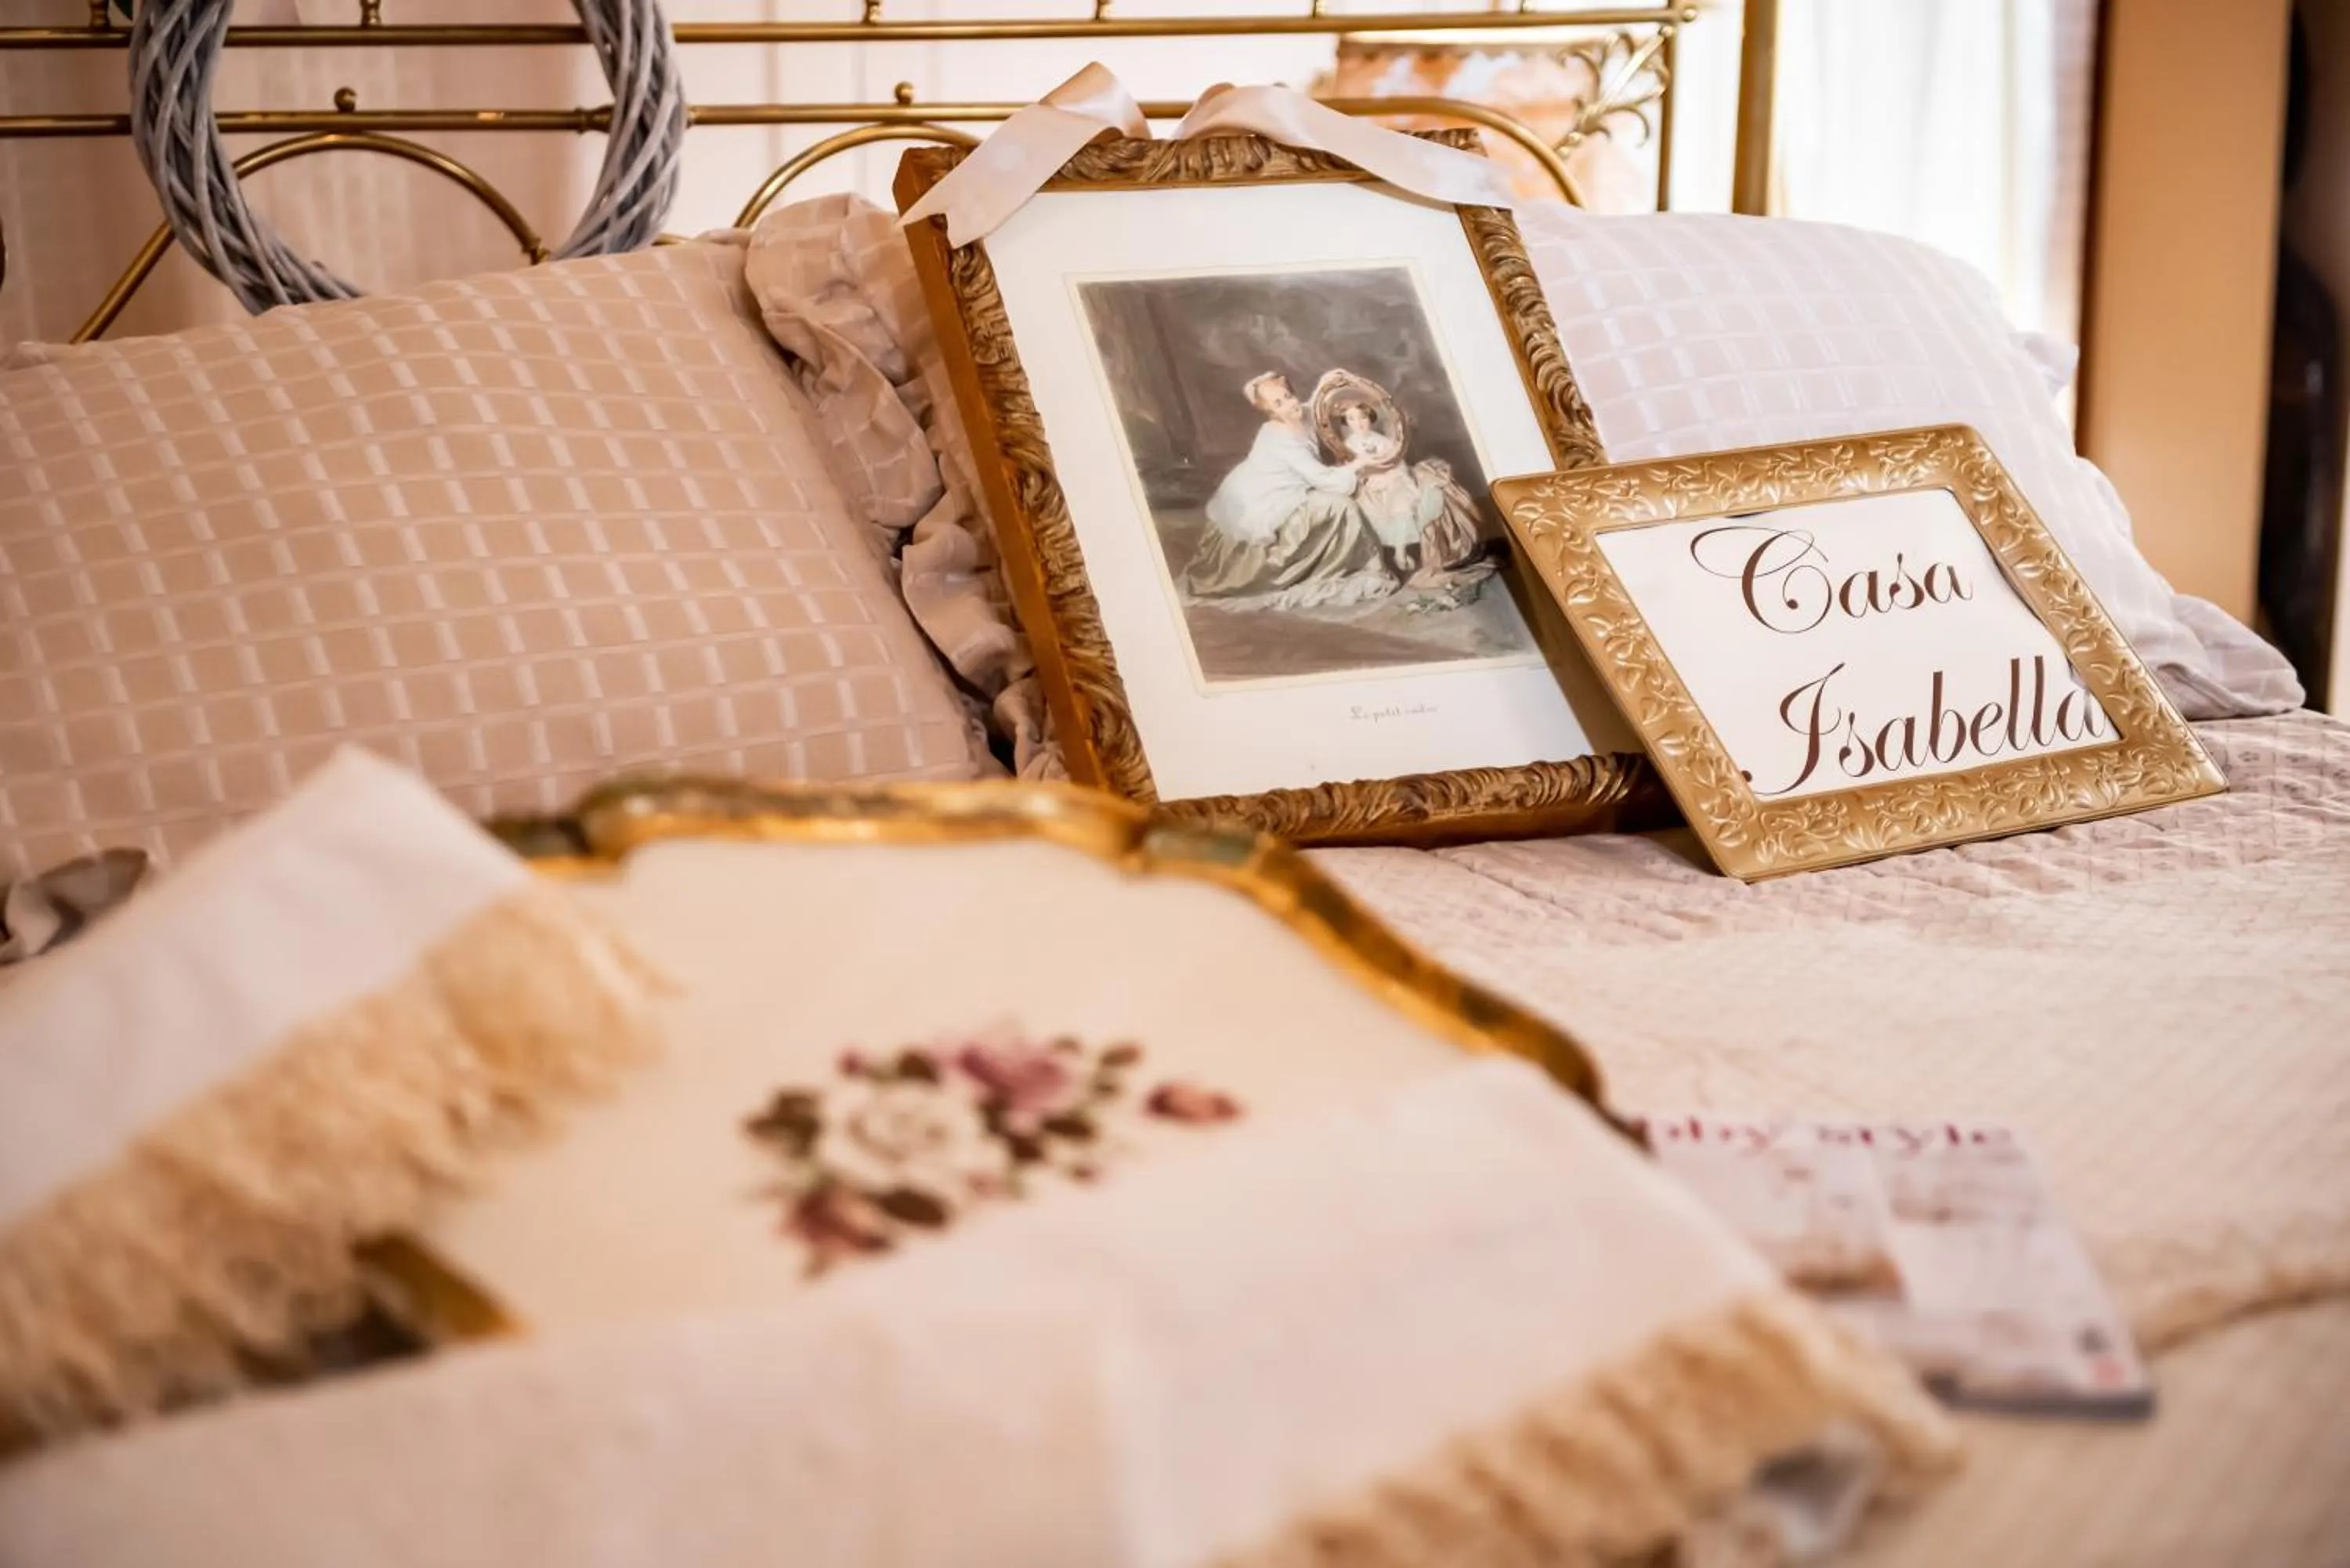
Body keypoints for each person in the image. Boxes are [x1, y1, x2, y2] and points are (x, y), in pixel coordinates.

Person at [1181, 374, 1394, 609]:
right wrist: (1358, 464)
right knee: (1341, 506)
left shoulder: (1301, 414)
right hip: (1268, 495)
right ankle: (1356, 566)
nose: (1289, 404)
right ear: (1270, 412)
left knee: (1341, 499)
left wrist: (1330, 383)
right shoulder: (1279, 438)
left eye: (1288, 396)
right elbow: (1323, 479)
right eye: (1278, 403)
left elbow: (1318, 404)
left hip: (1281, 485)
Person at [1333, 397, 1487, 584]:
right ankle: (1382, 558)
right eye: (1352, 419)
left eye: (1362, 418)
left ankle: (1401, 551)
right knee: (1373, 507)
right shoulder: (1348, 445)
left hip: (1392, 479)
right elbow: (1349, 471)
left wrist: (1395, 477)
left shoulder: (1383, 441)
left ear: (1370, 418)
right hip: (1368, 485)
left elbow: (1397, 464)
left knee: (1402, 501)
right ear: (1347, 423)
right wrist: (1365, 479)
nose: (1359, 424)